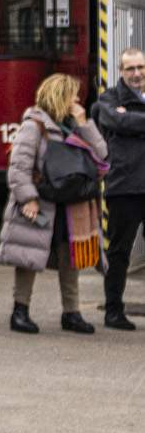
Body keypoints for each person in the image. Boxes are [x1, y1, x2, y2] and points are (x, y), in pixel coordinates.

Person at [0, 73, 109, 334]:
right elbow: (19, 167)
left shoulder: (74, 124)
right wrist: (28, 199)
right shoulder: (34, 125)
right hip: (41, 202)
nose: (77, 99)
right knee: (28, 258)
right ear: (59, 96)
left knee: (70, 258)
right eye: (72, 94)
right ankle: (20, 311)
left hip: (71, 204)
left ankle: (71, 313)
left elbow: (102, 158)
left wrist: (85, 123)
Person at [90, 47, 145, 331]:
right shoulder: (109, 99)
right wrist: (125, 121)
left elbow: (126, 123)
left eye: (140, 68)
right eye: (130, 69)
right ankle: (113, 311)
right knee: (120, 251)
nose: (136, 74)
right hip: (125, 186)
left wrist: (130, 123)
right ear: (121, 72)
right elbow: (114, 120)